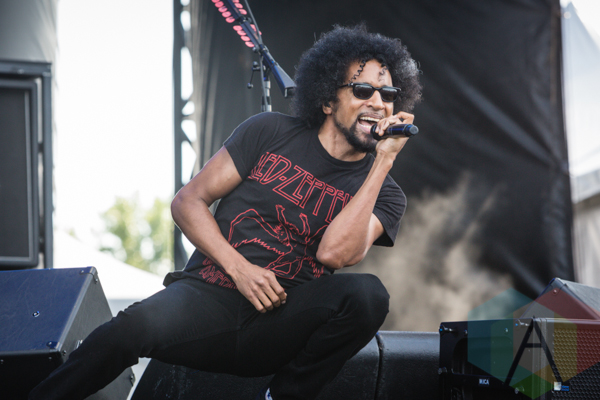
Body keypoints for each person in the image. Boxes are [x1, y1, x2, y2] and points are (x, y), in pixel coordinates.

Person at [29, 24, 421, 400]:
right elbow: (188, 202)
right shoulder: (269, 131)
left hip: (280, 318)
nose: (378, 102)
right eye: (363, 89)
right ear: (327, 99)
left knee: (368, 295)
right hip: (208, 297)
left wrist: (383, 162)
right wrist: (240, 270)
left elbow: (334, 254)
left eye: (387, 94)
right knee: (126, 330)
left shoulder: (386, 193)